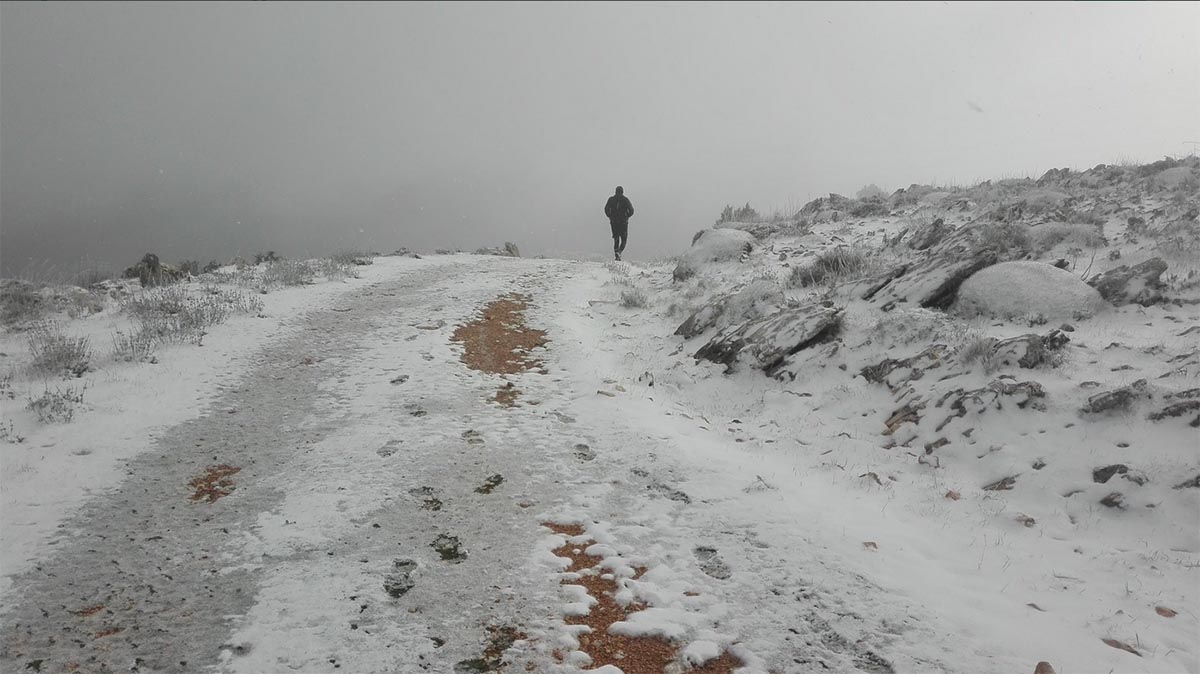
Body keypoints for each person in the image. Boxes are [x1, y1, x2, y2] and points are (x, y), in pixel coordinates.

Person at [604, 186, 634, 261]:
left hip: (614, 222)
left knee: (616, 239)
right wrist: (627, 216)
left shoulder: (611, 199)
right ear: (622, 191)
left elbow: (606, 209)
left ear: (615, 191)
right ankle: (619, 252)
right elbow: (631, 210)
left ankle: (617, 255)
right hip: (623, 222)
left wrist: (610, 216)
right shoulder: (625, 200)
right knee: (624, 239)